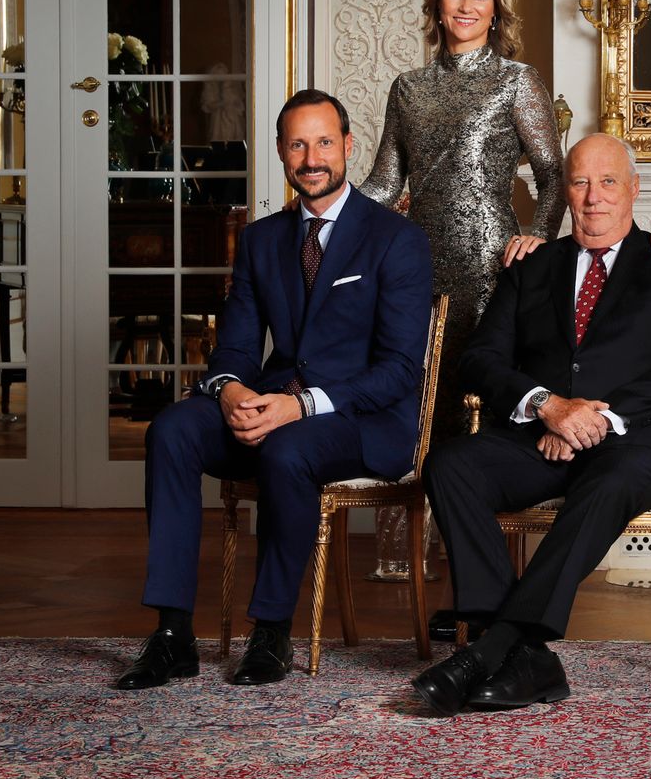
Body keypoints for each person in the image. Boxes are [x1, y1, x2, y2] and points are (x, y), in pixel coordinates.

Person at [115, 89, 433, 690]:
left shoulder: (396, 239)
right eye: (297, 144)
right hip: (273, 407)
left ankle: (271, 631)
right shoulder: (262, 240)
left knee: (290, 448)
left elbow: (399, 371)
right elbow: (234, 348)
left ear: (347, 147)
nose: (311, 158)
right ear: (283, 154)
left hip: (364, 422)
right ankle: (173, 633)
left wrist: (301, 405)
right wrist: (231, 390)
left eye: (323, 143)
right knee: (175, 430)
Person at [410, 133, 651, 715]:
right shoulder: (532, 263)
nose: (593, 197)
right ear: (565, 193)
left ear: (634, 189)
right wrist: (548, 405)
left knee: (609, 482)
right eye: (580, 182)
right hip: (540, 435)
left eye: (607, 182)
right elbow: (481, 358)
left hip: (637, 441)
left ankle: (491, 649)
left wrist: (599, 414)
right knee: (451, 464)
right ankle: (528, 657)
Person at [359, 0, 566, 439]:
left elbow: (553, 175)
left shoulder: (517, 82)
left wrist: (539, 235)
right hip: (417, 260)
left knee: (480, 392)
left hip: (490, 262)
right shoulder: (407, 88)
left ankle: (473, 503)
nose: (467, 7)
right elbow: (387, 184)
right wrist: (320, 210)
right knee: (419, 388)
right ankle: (414, 508)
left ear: (496, 9)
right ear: (437, 1)